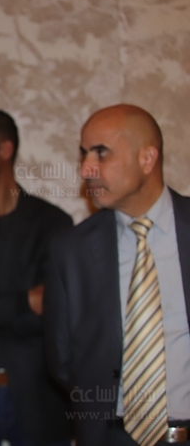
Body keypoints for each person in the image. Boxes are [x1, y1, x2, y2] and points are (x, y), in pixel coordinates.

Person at [44, 104, 190, 446]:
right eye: (84, 154)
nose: (86, 168)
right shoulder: (71, 250)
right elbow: (63, 361)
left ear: (147, 158)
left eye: (101, 153)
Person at [0, 109, 72, 446]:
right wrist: (24, 303)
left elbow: (55, 311)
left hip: (38, 399)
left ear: (5, 149)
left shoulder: (53, 223)